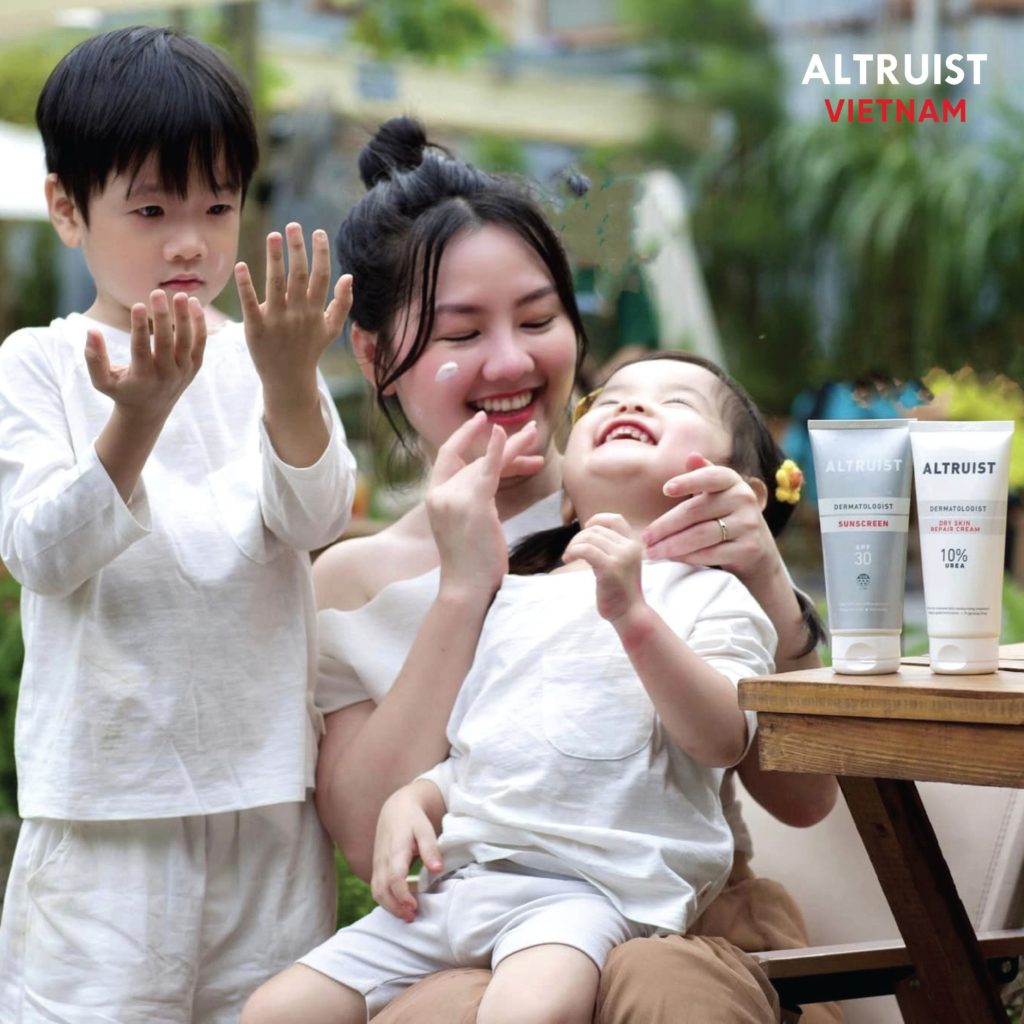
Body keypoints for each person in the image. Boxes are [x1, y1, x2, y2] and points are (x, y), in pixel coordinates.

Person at [314, 117, 840, 1024]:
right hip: (466, 936)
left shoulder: (664, 508)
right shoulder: (352, 580)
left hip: (683, 937)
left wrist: (772, 595)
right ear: (374, 356)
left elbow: (804, 798)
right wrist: (460, 590)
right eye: (461, 332)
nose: (512, 361)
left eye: (538, 319)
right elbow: (373, 847)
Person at [243, 350, 788, 1023]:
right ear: (568, 494)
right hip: (462, 886)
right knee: (276, 1010)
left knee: (525, 1011)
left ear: (738, 492)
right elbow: (490, 743)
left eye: (677, 402)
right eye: (608, 398)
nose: (630, 403)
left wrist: (635, 618)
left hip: (587, 893)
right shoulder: (514, 599)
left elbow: (723, 739)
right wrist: (417, 798)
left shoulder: (716, 598)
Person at [0, 27, 356, 1023]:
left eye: (217, 206)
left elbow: (318, 515)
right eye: (152, 210)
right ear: (68, 208)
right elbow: (41, 553)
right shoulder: (37, 363)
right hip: (106, 807)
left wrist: (292, 383)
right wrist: (139, 415)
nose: (190, 241)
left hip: (267, 798)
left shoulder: (266, 355)